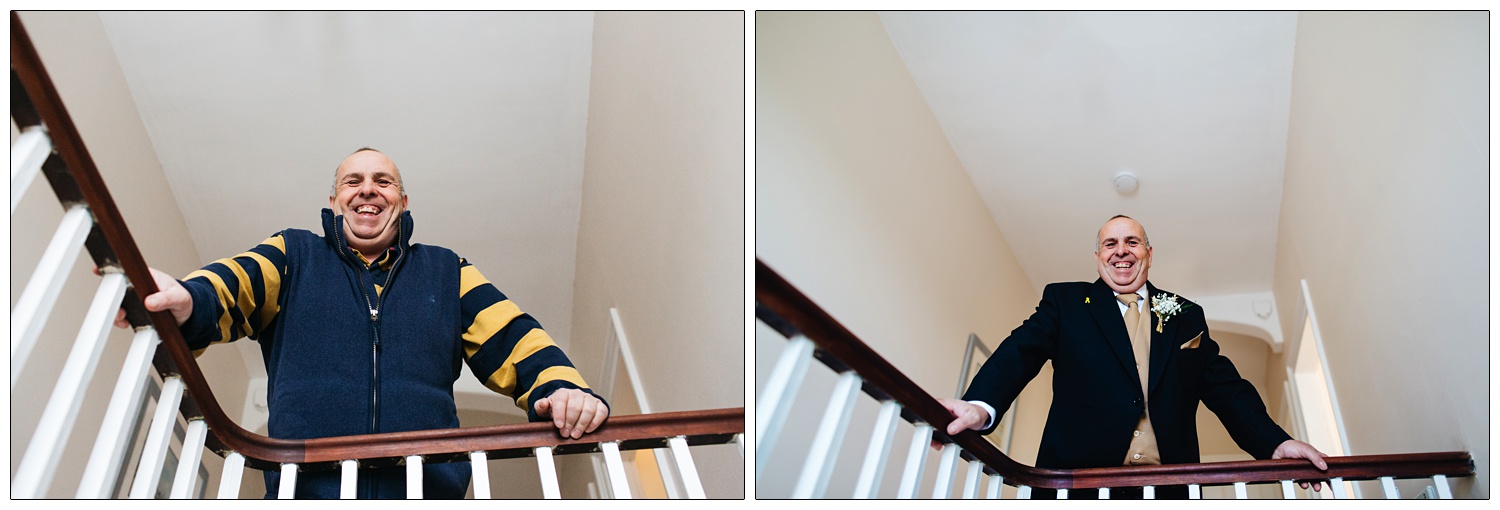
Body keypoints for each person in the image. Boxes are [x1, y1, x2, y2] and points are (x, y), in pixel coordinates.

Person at [115, 148, 609, 498]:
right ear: (335, 202)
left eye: (383, 181)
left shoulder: (446, 270)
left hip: (424, 494)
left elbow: (514, 336)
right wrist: (187, 297)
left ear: (402, 201)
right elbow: (232, 284)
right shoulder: (294, 254)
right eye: (353, 181)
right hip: (305, 493)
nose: (367, 190)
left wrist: (563, 387)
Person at [938, 215, 1327, 499]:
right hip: (1076, 489)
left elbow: (1225, 387)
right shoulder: (1067, 302)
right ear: (1097, 257)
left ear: (1149, 253)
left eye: (1132, 242)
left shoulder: (1185, 314)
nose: (1121, 251)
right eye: (1110, 244)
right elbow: (1020, 350)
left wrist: (1276, 444)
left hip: (1168, 491)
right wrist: (979, 406)